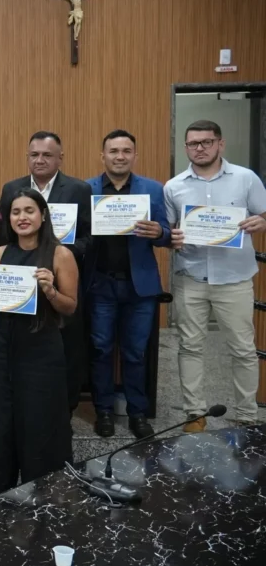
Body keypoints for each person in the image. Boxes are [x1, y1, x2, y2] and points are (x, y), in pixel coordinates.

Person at [0, 189, 77, 504]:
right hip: (2, 346)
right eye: (16, 212)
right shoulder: (0, 254)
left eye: (29, 211)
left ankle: (45, 495)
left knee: (40, 422)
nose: (22, 217)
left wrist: (51, 291)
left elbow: (70, 307)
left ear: (43, 215)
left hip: (41, 348)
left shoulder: (60, 254)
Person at [165, 120, 266, 430]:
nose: (200, 148)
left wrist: (262, 221)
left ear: (220, 144)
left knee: (243, 350)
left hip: (234, 279)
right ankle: (194, 414)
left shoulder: (246, 179)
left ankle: (247, 416)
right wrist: (172, 238)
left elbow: (263, 213)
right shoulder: (174, 186)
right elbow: (169, 231)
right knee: (189, 347)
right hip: (191, 277)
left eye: (206, 142)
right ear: (186, 147)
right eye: (193, 143)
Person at [84, 129, 171, 439]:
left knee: (135, 352)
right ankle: (104, 412)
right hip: (100, 285)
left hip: (140, 287)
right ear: (103, 156)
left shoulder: (153, 189)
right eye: (113, 151)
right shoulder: (87, 189)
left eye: (126, 151)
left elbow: (166, 235)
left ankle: (138, 413)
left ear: (135, 155)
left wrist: (158, 232)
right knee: (101, 350)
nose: (119, 156)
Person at [0, 131, 92, 412]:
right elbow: (4, 235)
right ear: (27, 157)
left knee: (65, 350)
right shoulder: (11, 188)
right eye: (34, 154)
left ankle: (64, 413)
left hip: (60, 276)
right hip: (19, 282)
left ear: (60, 158)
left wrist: (57, 255)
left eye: (47, 155)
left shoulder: (79, 189)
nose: (40, 160)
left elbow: (90, 237)